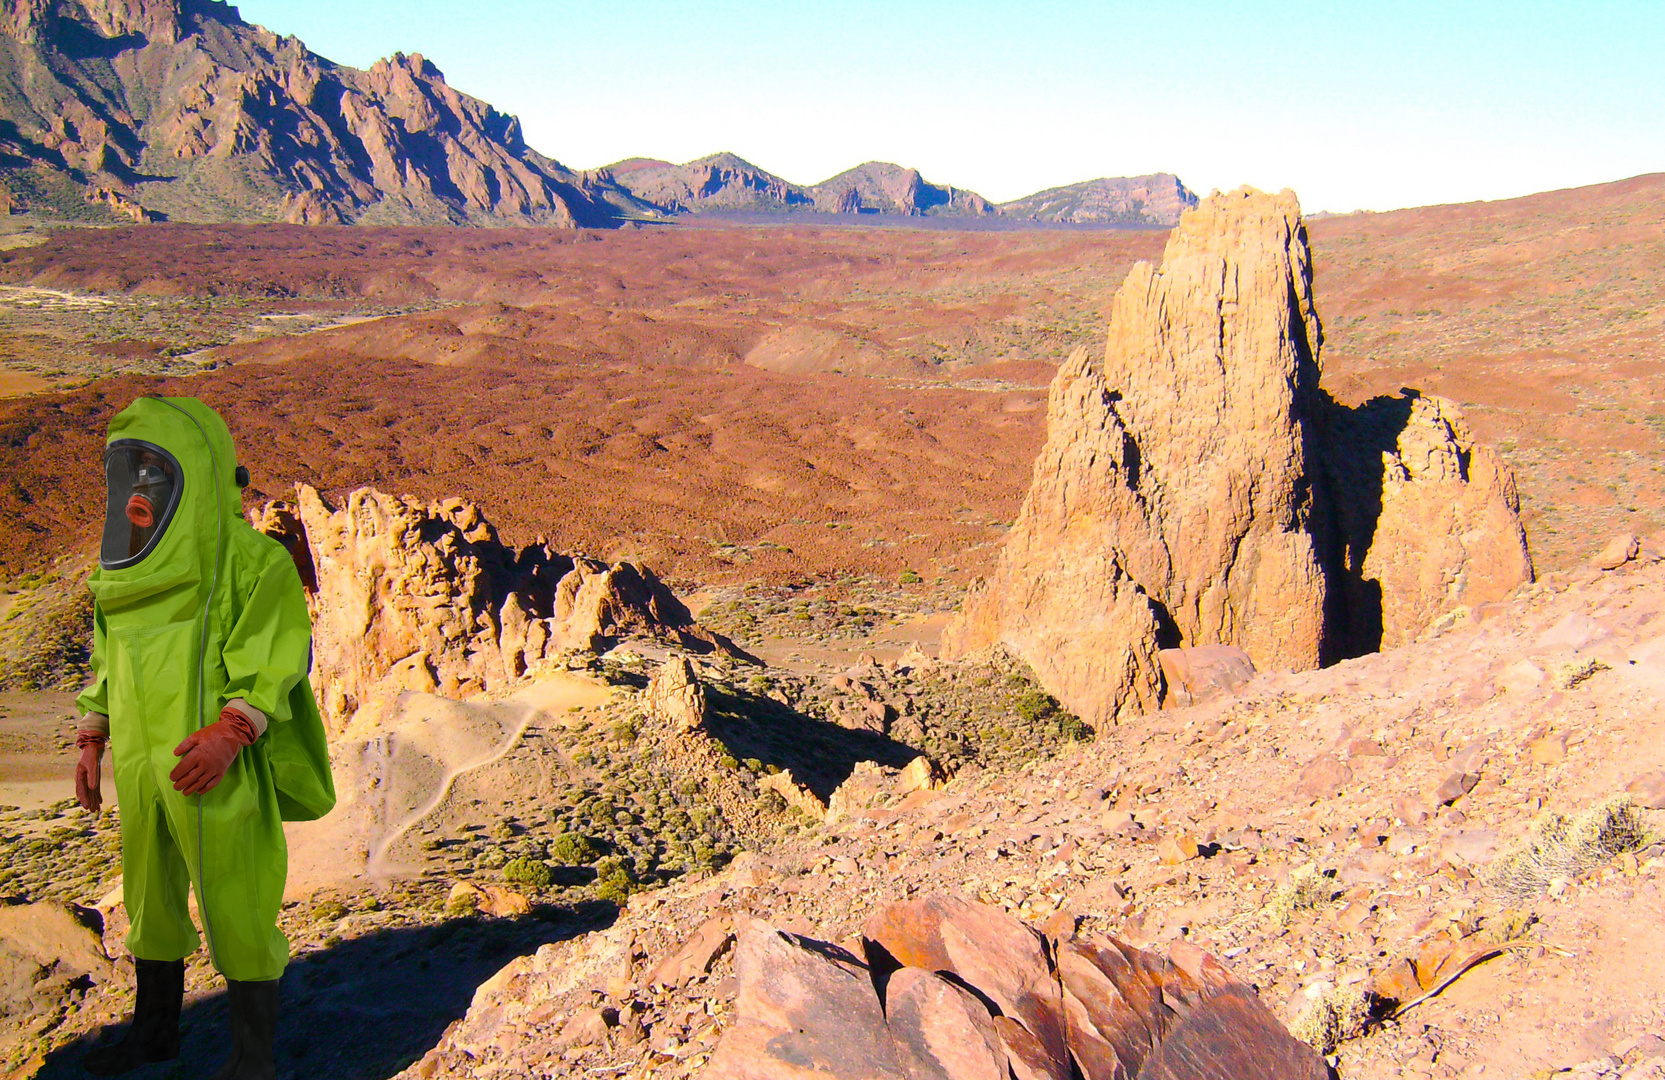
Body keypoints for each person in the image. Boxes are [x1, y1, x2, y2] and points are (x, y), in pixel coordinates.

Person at [71, 397, 334, 1079]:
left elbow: (275, 654)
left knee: (235, 899)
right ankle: (154, 1034)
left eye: (152, 473)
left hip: (214, 764)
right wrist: (92, 734)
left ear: (193, 471)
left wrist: (231, 730)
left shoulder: (251, 561)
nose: (136, 491)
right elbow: (108, 657)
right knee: (149, 899)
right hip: (138, 761)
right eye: (128, 473)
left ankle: (252, 1059)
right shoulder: (122, 570)